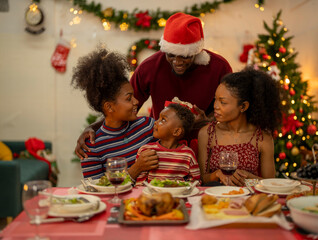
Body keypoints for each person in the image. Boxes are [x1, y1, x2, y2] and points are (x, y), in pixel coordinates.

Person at [74, 12, 232, 159]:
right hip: (161, 147)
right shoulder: (150, 67)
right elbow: (121, 106)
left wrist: (208, 120)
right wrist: (93, 128)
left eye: (184, 56)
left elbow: (232, 108)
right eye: (171, 55)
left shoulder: (219, 67)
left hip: (206, 144)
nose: (177, 62)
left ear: (196, 51)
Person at [71, 48, 159, 182]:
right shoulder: (92, 146)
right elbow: (97, 189)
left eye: (134, 96)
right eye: (129, 98)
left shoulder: (148, 126)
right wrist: (136, 168)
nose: (136, 102)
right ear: (109, 106)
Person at [197, 68, 282, 186]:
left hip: (248, 200)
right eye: (215, 99)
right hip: (215, 200)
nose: (215, 106)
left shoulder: (262, 138)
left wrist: (247, 177)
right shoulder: (207, 133)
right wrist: (217, 174)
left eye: (223, 102)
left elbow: (270, 184)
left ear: (243, 106)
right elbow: (202, 179)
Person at [136, 103, 200, 186]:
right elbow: (140, 181)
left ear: (177, 131)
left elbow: (196, 181)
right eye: (158, 118)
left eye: (163, 120)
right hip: (152, 196)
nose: (156, 122)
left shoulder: (188, 154)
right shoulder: (146, 150)